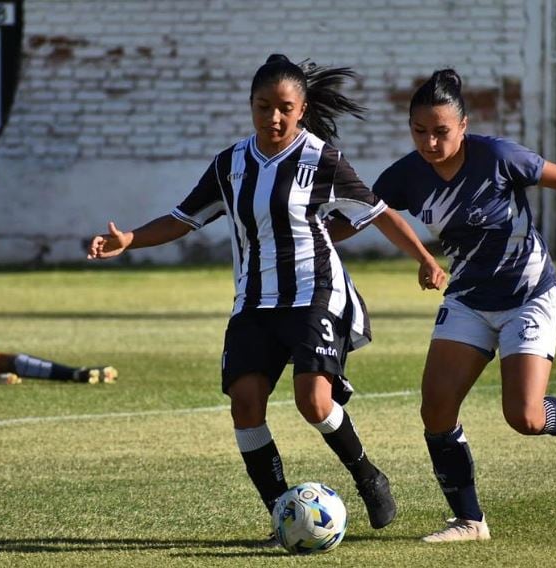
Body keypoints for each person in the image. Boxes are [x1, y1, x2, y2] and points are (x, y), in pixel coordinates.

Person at [88, 54, 445, 537]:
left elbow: (378, 212)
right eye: (263, 106)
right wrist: (130, 238)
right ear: (251, 106)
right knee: (245, 404)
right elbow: (183, 217)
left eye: (284, 107)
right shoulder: (230, 164)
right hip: (254, 302)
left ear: (301, 109)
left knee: (313, 403)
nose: (273, 117)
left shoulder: (322, 159)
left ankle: (368, 477)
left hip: (314, 293)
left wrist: (424, 258)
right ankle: (284, 512)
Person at [332, 68, 556, 543]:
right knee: (436, 409)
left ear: (464, 126)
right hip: (469, 300)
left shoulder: (497, 157)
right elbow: (362, 215)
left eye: (441, 132)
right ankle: (469, 520)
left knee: (526, 418)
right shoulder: (408, 174)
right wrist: (310, 235)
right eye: (419, 132)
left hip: (527, 296)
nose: (430, 142)